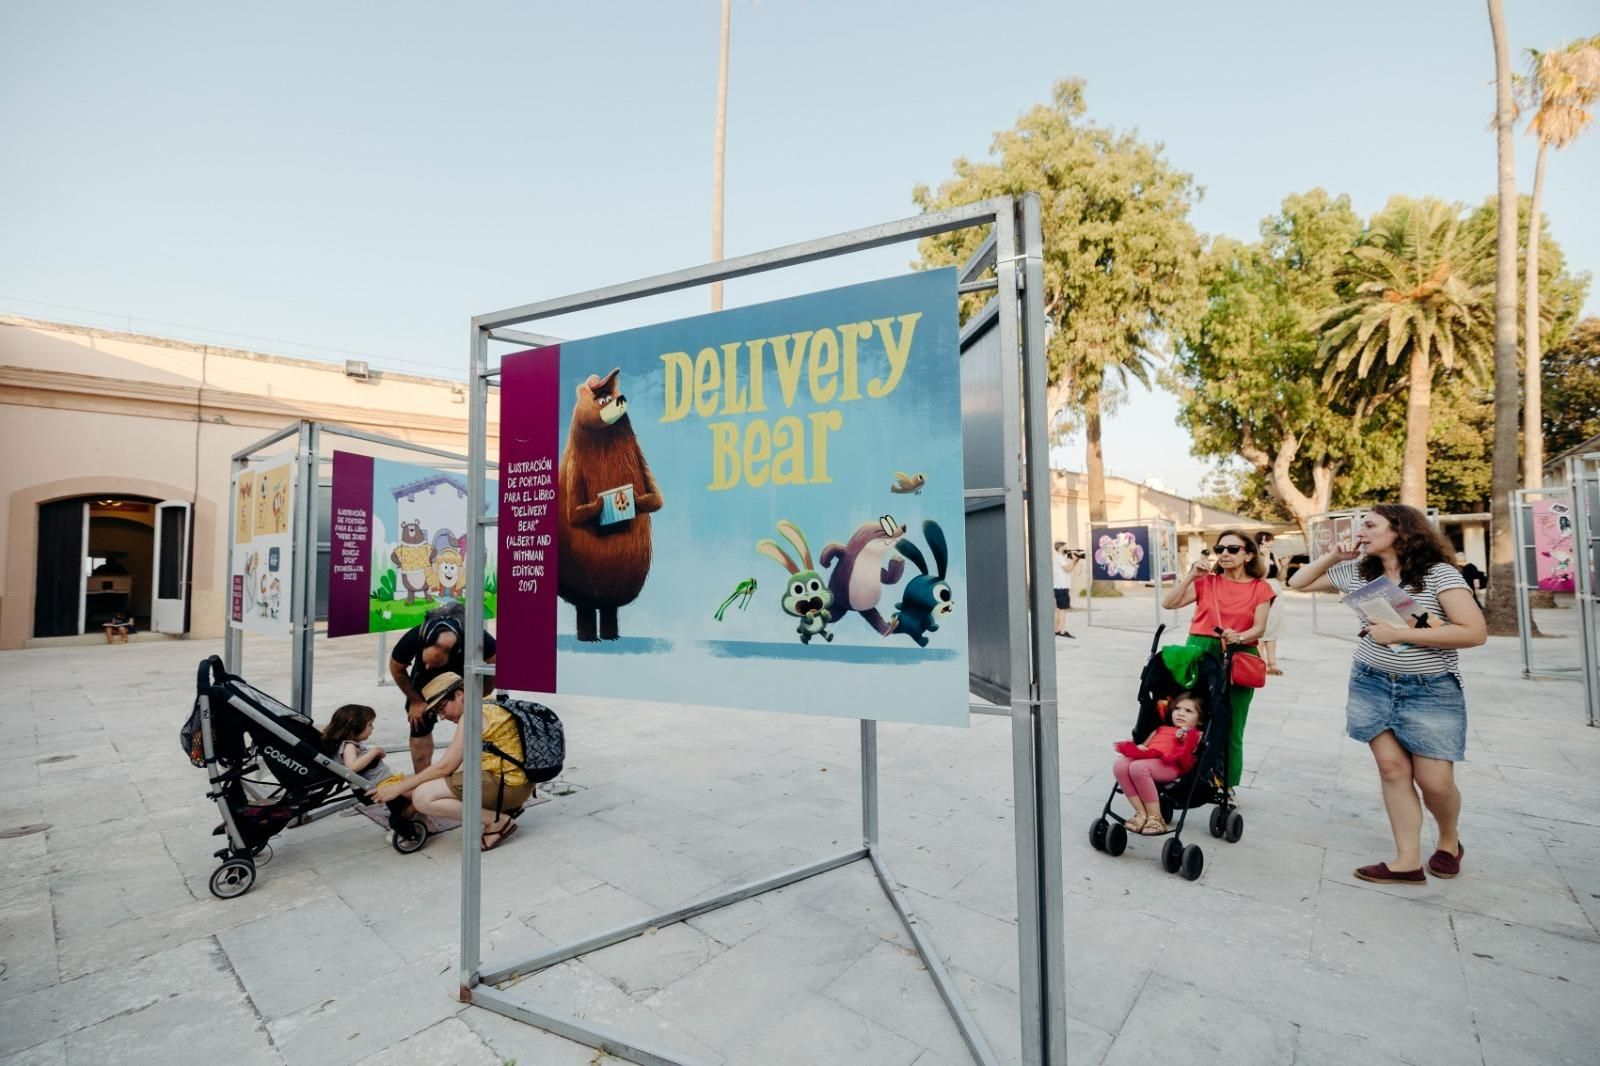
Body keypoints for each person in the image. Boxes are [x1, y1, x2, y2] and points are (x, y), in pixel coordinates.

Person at [1289, 504, 1486, 886]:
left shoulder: (1437, 574)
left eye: (1370, 524)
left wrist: (1401, 633)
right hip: (1372, 681)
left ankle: (1448, 841)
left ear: (1400, 530)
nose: (1361, 530)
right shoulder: (1360, 572)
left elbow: (1473, 632)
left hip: (1430, 688)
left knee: (1435, 782)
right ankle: (1406, 860)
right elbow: (1298, 582)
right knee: (1392, 769)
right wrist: (1334, 555)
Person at [1161, 529, 1274, 795]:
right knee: (1191, 716)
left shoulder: (1261, 588)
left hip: (1239, 654)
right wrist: (1190, 575)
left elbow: (1259, 628)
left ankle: (1227, 784)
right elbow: (1169, 603)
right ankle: (1184, 775)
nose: (1224, 554)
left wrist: (1239, 636)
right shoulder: (1207, 582)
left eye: (1232, 549)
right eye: (1219, 549)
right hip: (1199, 650)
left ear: (1248, 555)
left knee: (1232, 724)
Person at [374, 672, 530, 851]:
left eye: (441, 708)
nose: (442, 716)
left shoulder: (472, 715)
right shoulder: (488, 703)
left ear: (459, 695)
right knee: (418, 784)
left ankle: (498, 822)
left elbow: (445, 767)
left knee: (422, 797)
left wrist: (399, 788)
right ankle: (500, 811)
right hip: (516, 782)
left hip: (509, 787)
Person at [388, 605, 496, 773]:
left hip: (462, 675)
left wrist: (482, 693)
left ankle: (475, 775)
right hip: (424, 682)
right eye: (426, 661)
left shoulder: (475, 635)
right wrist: (416, 701)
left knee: (474, 720)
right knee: (419, 721)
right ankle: (422, 779)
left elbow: (496, 664)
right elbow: (396, 668)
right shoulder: (415, 636)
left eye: (434, 663)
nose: (428, 666)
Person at [1111, 690, 1205, 834]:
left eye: (1188, 711)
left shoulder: (1196, 734)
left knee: (1138, 768)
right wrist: (1141, 747)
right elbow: (1146, 745)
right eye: (1177, 709)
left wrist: (1186, 736)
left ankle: (1156, 818)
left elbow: (1192, 752)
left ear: (1199, 720)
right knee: (1120, 765)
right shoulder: (1161, 729)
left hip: (1171, 765)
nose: (1180, 713)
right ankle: (1141, 813)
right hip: (1150, 760)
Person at [321, 703, 392, 787]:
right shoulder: (349, 746)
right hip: (382, 785)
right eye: (370, 724)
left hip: (385, 781)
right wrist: (374, 752)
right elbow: (352, 767)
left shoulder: (348, 744)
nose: (372, 728)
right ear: (355, 728)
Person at [1256, 532, 1285, 676]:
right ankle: (1261, 662)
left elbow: (1280, 576)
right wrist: (1264, 556)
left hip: (1276, 591)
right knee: (1262, 627)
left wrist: (1284, 566)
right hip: (1262, 590)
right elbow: (1262, 574)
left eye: (1271, 541)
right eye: (1267, 541)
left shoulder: (1274, 555)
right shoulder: (1256, 556)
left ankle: (1272, 662)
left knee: (1273, 628)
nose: (1269, 543)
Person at [1052, 543, 1080, 638]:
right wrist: (1073, 560)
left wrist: (1075, 561)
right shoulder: (1059, 558)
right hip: (1061, 587)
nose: (1067, 549)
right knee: (1062, 609)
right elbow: (1068, 569)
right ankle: (1062, 632)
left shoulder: (1061, 558)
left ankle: (1056, 630)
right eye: (1065, 547)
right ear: (1060, 548)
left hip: (1060, 586)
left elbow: (1070, 569)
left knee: (1059, 609)